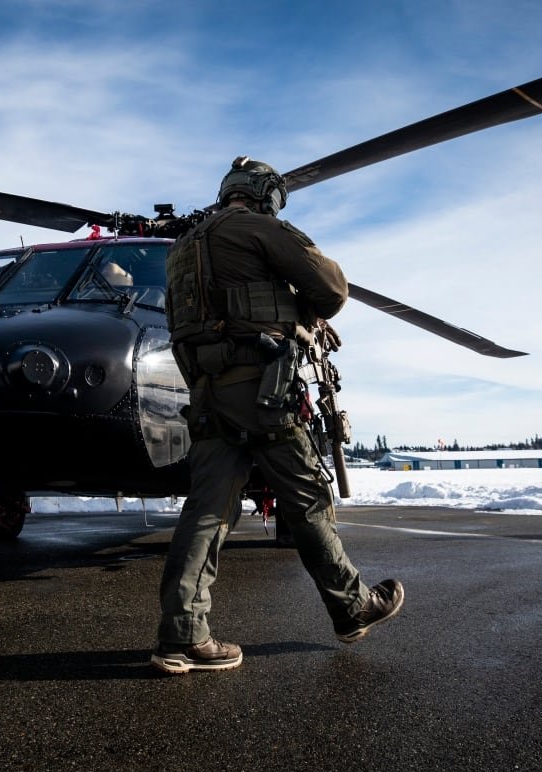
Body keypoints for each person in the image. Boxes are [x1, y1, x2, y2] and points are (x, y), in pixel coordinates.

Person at [151, 156, 404, 674]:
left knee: (206, 512)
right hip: (264, 392)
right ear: (265, 194)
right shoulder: (261, 230)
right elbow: (331, 289)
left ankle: (182, 637)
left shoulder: (182, 249)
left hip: (208, 395)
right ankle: (351, 608)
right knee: (307, 498)